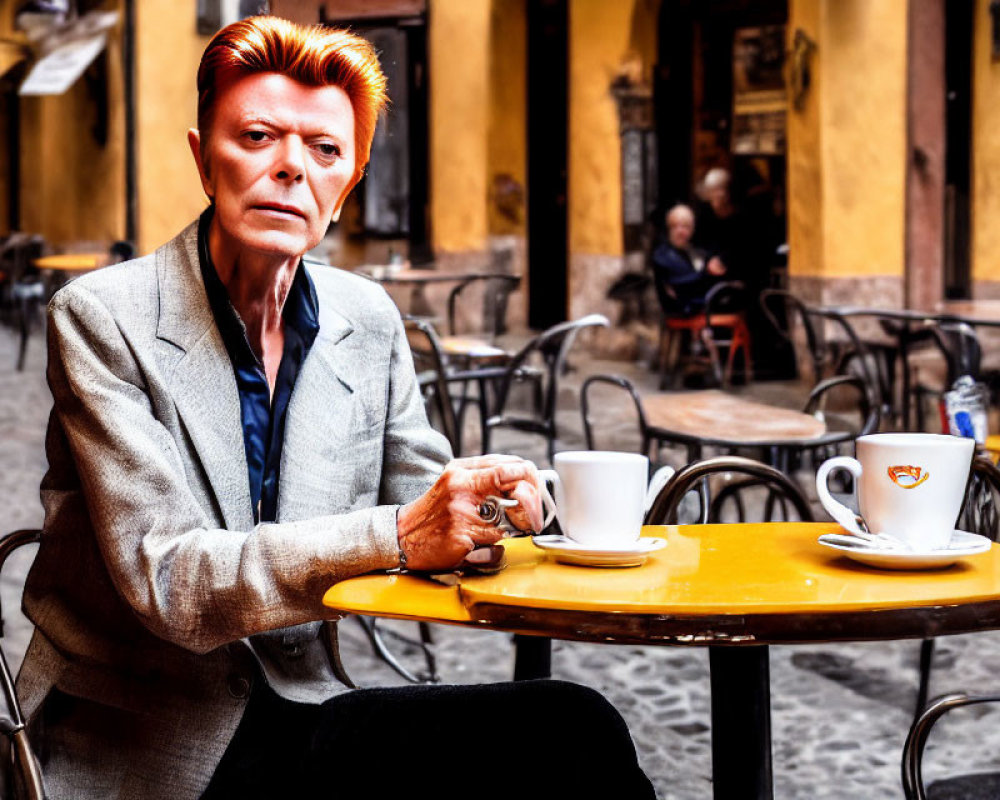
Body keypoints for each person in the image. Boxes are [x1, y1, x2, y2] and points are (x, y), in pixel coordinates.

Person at [16, 17, 654, 799]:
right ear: (202, 159)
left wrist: (493, 512)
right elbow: (172, 583)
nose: (291, 168)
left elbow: (422, 495)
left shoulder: (367, 319)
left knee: (573, 730)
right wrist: (401, 533)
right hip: (142, 737)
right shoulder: (101, 317)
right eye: (256, 136)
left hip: (304, 706)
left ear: (347, 187)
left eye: (324, 152)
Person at [650, 203, 727, 315]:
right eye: (675, 226)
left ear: (692, 229)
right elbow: (681, 285)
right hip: (683, 310)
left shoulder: (694, 251)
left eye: (685, 226)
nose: (680, 231)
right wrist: (707, 272)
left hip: (701, 305)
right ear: (668, 228)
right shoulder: (662, 255)